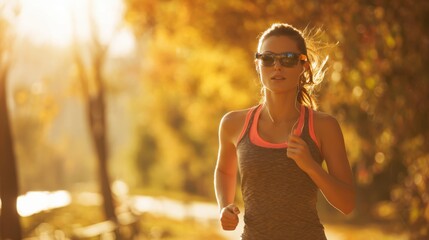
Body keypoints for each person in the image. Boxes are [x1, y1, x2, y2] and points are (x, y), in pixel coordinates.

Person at [214, 23, 355, 239]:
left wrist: (311, 166)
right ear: (257, 65)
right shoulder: (233, 123)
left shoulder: (324, 127)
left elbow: (347, 204)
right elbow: (224, 170)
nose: (277, 66)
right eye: (268, 59)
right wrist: (225, 206)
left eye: (288, 59)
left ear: (303, 66)